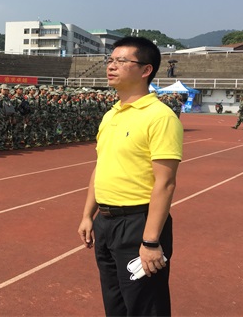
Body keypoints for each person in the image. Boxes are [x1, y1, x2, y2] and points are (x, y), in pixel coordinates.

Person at [78, 36, 183, 317]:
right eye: (110, 60)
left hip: (138, 224)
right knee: (115, 305)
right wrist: (88, 215)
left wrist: (150, 241)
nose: (111, 66)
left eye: (121, 61)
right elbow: (101, 166)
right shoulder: (111, 115)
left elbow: (165, 182)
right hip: (106, 223)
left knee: (145, 307)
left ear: (146, 70)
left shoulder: (160, 117)